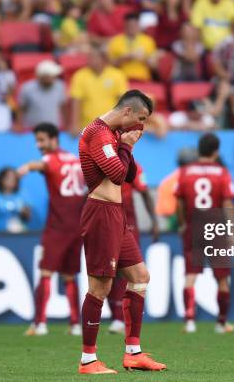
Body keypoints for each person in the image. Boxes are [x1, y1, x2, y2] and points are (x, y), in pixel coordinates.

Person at [77, 90, 165, 374]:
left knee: (140, 277)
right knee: (99, 287)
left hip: (117, 213)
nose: (140, 126)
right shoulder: (98, 133)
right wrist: (125, 147)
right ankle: (88, 359)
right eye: (140, 118)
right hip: (101, 213)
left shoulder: (114, 134)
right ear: (127, 111)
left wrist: (128, 146)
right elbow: (115, 174)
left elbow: (128, 174)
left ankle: (133, 353)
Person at [17, 123, 86, 337]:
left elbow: (42, 164)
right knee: (69, 275)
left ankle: (40, 323)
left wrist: (27, 167)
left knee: (46, 272)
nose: (39, 145)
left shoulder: (50, 158)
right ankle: (75, 324)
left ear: (54, 140)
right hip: (77, 226)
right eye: (37, 141)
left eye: (42, 140)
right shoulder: (75, 160)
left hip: (57, 227)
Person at [175, 133, 234, 335]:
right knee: (221, 278)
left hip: (194, 228)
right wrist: (231, 231)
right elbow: (228, 203)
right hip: (216, 229)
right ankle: (221, 323)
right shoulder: (222, 173)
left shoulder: (185, 172)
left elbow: (180, 202)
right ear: (216, 151)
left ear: (199, 150)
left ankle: (189, 321)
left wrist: (183, 223)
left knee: (191, 275)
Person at [107, 160, 160, 334]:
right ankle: (117, 317)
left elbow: (144, 192)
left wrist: (154, 220)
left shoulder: (134, 165)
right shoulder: (104, 161)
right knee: (110, 270)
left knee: (127, 270)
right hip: (108, 220)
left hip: (127, 223)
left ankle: (120, 318)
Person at [69, 48, 128, 133]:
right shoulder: (80, 75)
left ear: (103, 59)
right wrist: (75, 124)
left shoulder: (117, 75)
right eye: (89, 57)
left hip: (111, 126)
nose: (89, 60)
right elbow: (76, 101)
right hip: (88, 126)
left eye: (93, 58)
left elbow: (122, 101)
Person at [107, 13, 157, 82]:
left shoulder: (148, 41)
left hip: (143, 79)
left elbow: (154, 66)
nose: (132, 28)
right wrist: (123, 58)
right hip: (121, 80)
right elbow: (109, 65)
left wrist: (144, 59)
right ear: (125, 25)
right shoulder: (115, 41)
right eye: (129, 25)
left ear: (139, 25)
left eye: (134, 25)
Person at [18, 60, 65, 129]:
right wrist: (19, 124)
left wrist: (66, 125)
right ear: (43, 76)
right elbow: (22, 108)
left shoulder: (60, 86)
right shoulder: (27, 88)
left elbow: (63, 107)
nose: (55, 77)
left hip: (54, 130)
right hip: (31, 130)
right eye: (52, 75)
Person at [0, 167, 31, 233]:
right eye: (8, 177)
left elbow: (27, 217)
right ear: (1, 179)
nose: (12, 179)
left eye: (14, 177)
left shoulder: (22, 194)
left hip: (21, 234)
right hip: (0, 236)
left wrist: (25, 212)